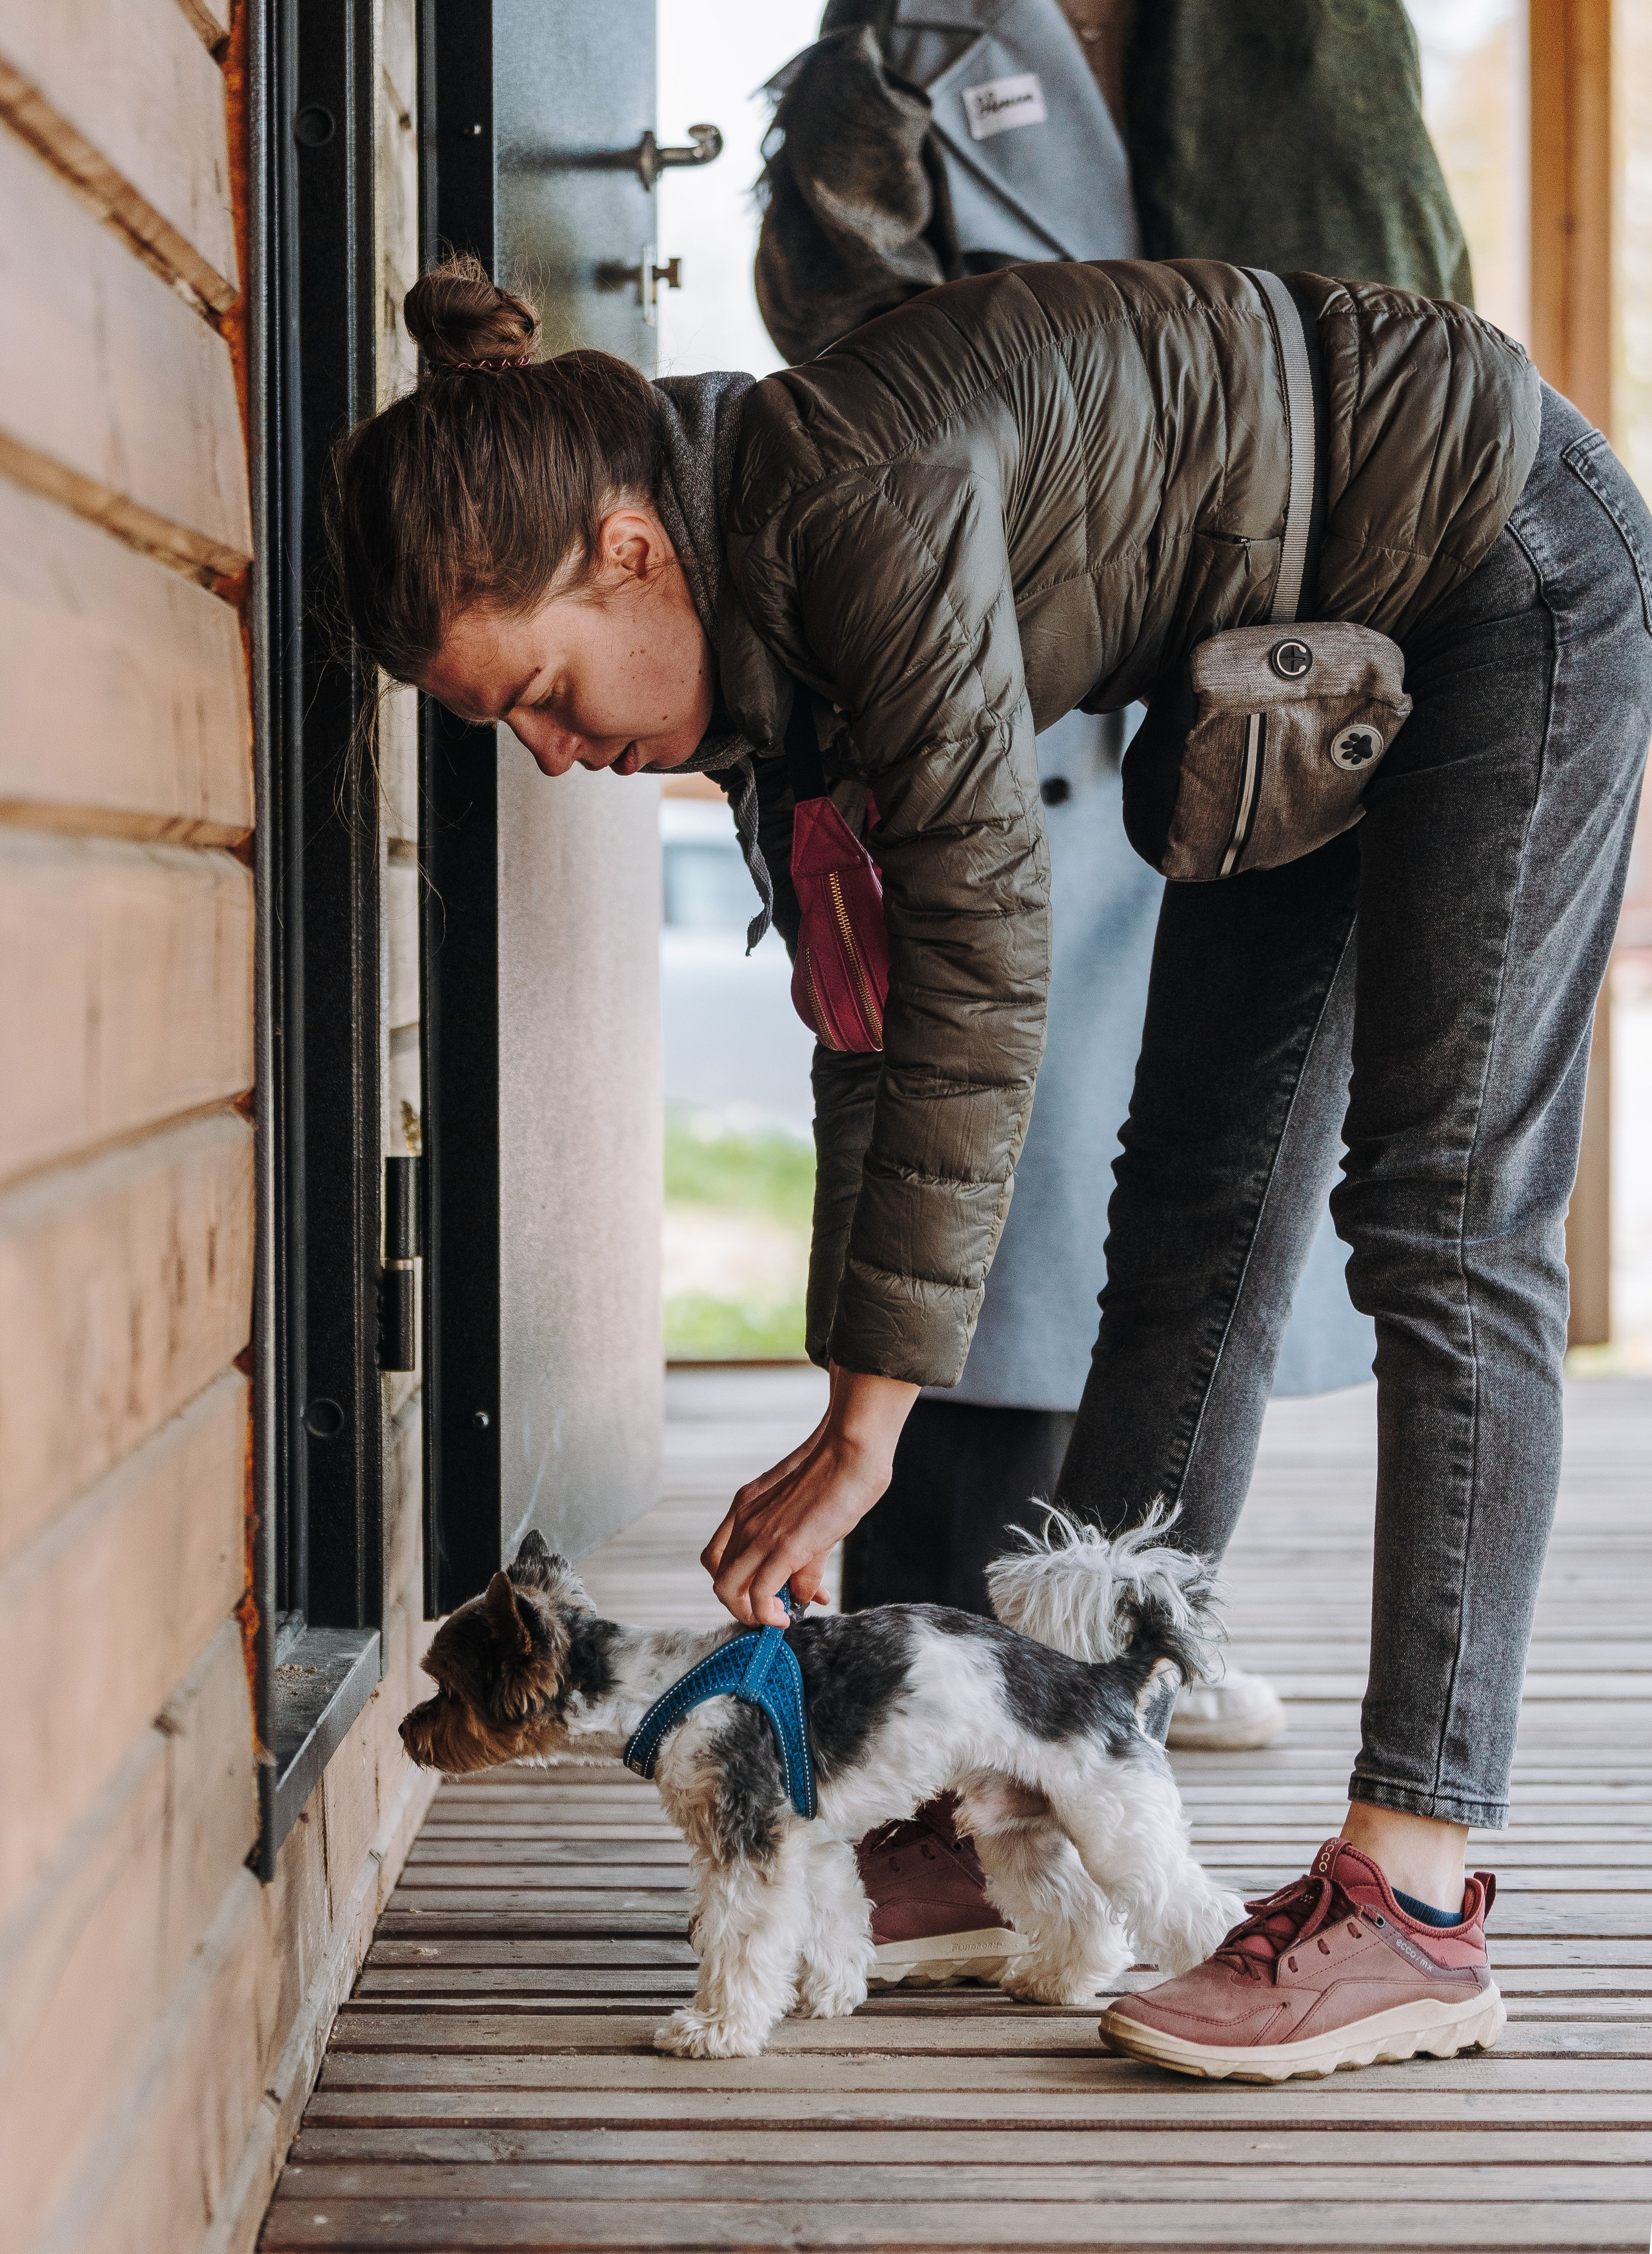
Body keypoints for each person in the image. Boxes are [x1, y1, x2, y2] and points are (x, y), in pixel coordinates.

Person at [333, 249, 1649, 2077]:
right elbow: (872, 1037)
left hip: (1503, 555)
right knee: (1191, 1205)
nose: (554, 758)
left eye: (539, 694)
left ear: (630, 549)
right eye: (512, 731)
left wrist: (872, 1434)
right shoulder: (759, 657)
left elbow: (978, 958)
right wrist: (842, 1406)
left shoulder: (851, 512)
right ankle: (1020, 1807)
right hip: (1306, 648)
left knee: (1445, 1217)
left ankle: (1415, 1896)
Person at [753, 0, 1468, 1720]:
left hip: (1263, 634)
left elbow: (1415, 295)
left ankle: (1139, 1617)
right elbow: (842, 339)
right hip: (1020, 623)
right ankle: (982, 1650)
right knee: (1023, 1149)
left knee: (1217, 1151)